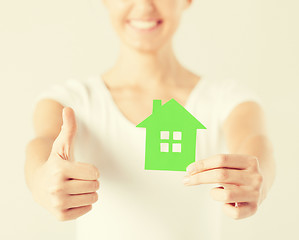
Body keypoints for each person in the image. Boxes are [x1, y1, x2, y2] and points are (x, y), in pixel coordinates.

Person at [24, 0, 276, 239]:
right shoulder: (69, 101)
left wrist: (258, 179)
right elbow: (41, 144)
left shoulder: (227, 99)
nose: (145, 5)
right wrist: (40, 178)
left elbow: (253, 142)